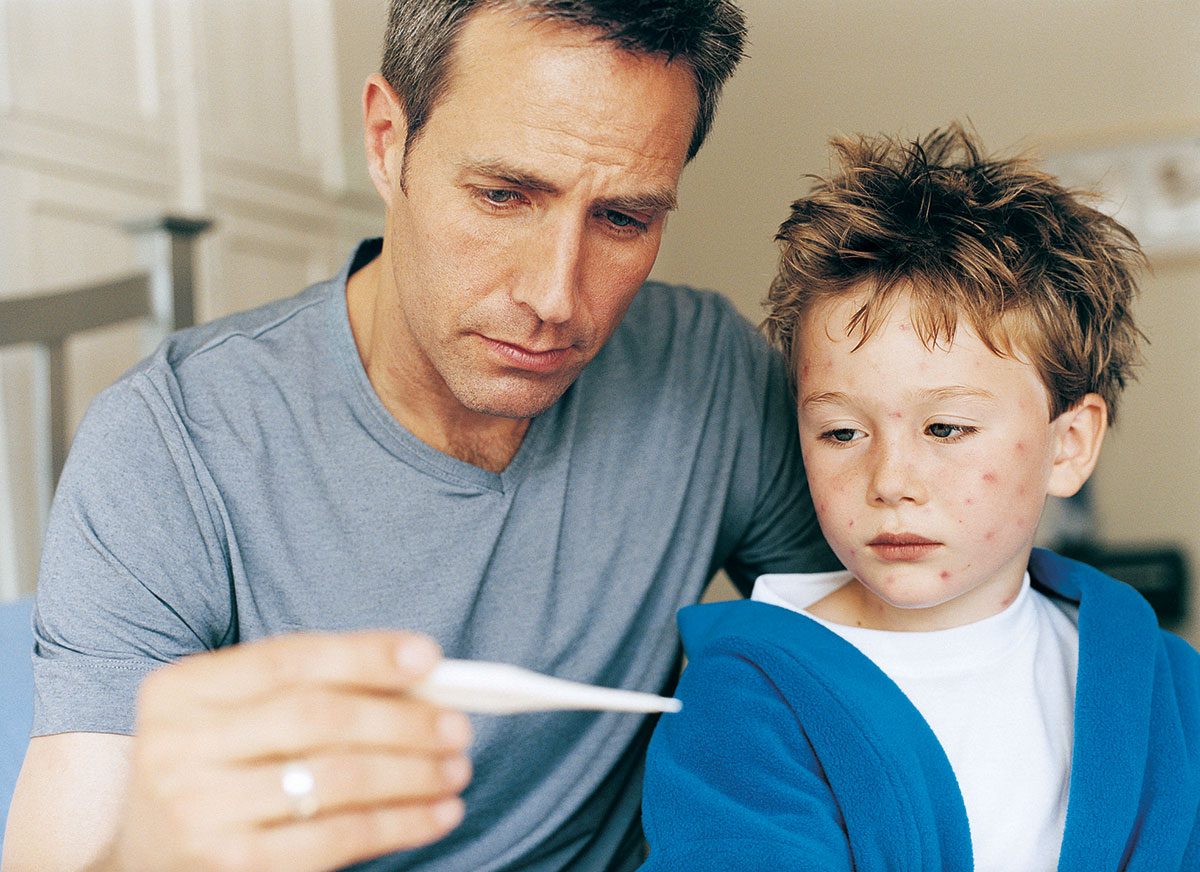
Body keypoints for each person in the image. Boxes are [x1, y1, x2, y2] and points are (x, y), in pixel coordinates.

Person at [2, 2, 839, 871]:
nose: (556, 296)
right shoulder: (169, 444)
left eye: (623, 219)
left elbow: (886, 649)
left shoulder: (708, 372)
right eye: (504, 195)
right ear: (386, 139)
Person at [638, 126, 1200, 871]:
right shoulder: (742, 703)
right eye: (841, 432)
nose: (890, 480)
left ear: (1069, 445)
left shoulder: (1164, 684)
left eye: (946, 427)